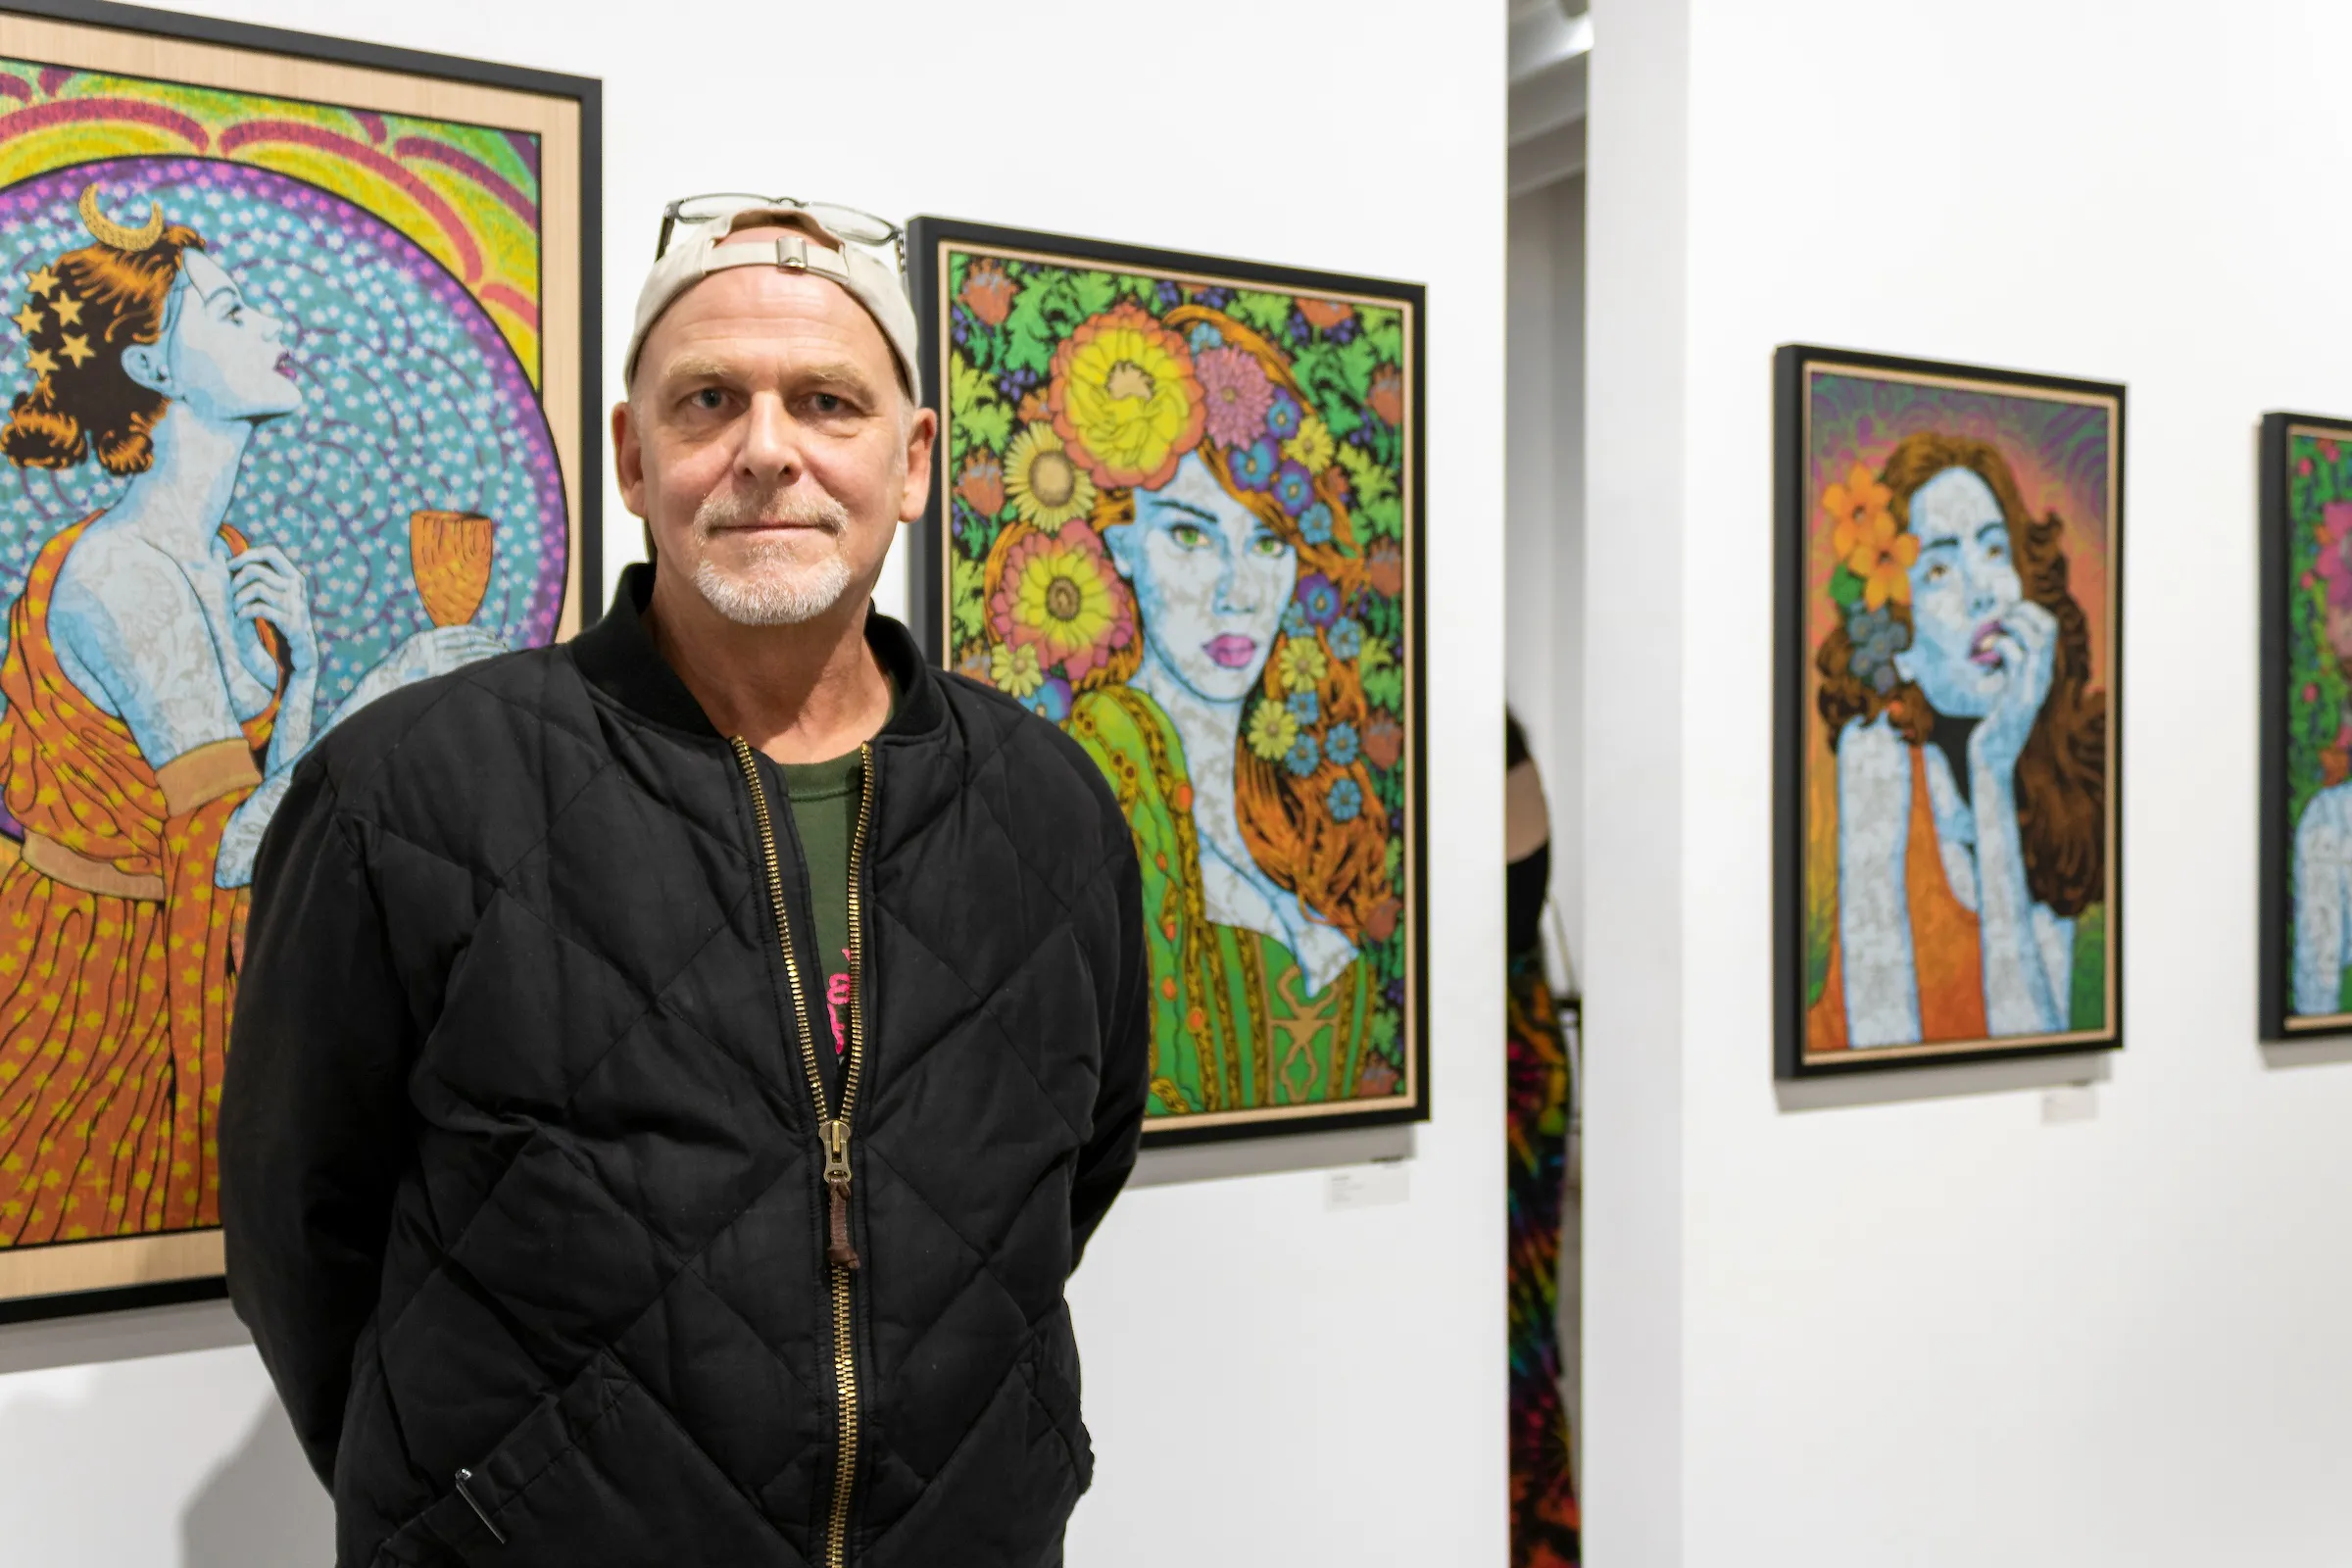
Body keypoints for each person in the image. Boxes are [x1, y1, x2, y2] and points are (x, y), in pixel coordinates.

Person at [220, 194, 1149, 1568]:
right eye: (709, 399)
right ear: (632, 458)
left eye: (828, 403)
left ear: (915, 463)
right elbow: (303, 1233)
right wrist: (491, 1492)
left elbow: (1074, 1178)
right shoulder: (408, 792)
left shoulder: (1053, 809)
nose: (767, 451)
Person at [0, 187, 496, 1246]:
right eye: (232, 313)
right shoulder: (123, 576)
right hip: (98, 986)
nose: (274, 326)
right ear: (153, 370)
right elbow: (226, 843)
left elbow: (258, 802)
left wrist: (310, 674)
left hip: (198, 952)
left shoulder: (225, 559)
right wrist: (384, 688)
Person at [986, 304, 1396, 1114]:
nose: (1237, 592)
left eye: (1267, 542)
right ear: (1121, 545)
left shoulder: (1294, 797)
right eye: (1191, 536)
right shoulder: (1098, 770)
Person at [1809, 432, 2107, 1051]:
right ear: (1901, 634)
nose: (1982, 591)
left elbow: (2036, 1040)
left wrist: (1995, 770)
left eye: (1995, 551)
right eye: (1940, 568)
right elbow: (1881, 1033)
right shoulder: (1878, 750)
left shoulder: (2049, 771)